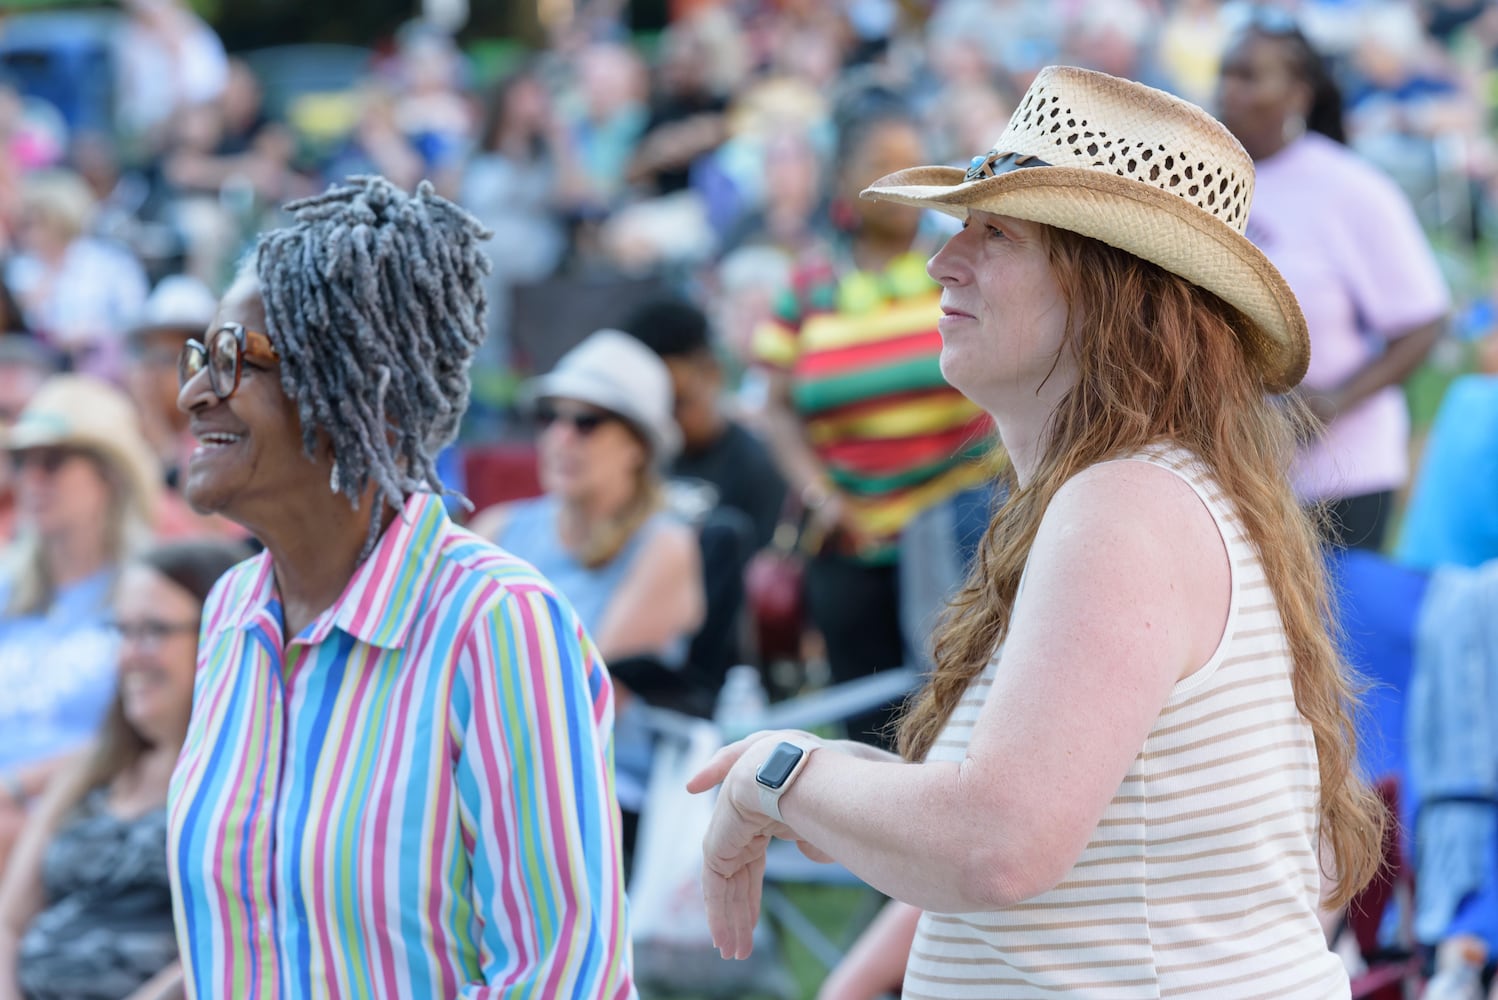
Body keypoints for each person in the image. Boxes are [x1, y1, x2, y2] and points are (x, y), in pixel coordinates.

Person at [690, 65, 1387, 999]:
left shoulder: (1125, 506)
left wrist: (779, 776)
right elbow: (1020, 826)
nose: (943, 261)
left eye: (996, 232)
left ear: (1110, 287)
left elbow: (998, 843)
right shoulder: (1138, 493)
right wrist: (834, 781)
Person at [167, 177, 635, 998]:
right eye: (200, 357)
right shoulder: (232, 615)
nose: (195, 391)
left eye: (237, 358)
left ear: (363, 394)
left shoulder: (495, 623)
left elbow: (565, 977)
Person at [752, 91, 995, 744]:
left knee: (961, 725)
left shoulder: (957, 265)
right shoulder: (808, 288)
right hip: (850, 542)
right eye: (883, 163)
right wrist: (820, 495)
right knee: (870, 732)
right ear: (841, 177)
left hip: (963, 541)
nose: (900, 181)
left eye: (913, 163)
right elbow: (775, 412)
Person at [1216, 13, 1449, 551]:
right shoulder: (1210, 181)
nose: (1228, 88)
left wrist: (1333, 403)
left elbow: (1422, 321)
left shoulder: (1351, 190)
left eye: (1250, 76)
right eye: (1227, 72)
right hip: (1238, 477)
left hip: (1341, 480)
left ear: (1297, 94)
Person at [0, 539, 247, 1000]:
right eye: (121, 631)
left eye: (152, 631)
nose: (129, 655)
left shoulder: (247, 779)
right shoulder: (94, 769)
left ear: (218, 635)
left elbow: (238, 942)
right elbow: (9, 924)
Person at [0, 375, 160, 873]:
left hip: (87, 822)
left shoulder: (147, 592)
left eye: (54, 462)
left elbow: (151, 732)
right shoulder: (7, 589)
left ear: (110, 475)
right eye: (23, 462)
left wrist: (21, 786)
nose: (33, 479)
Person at [624, 298, 787, 551]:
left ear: (714, 372)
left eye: (677, 403)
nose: (666, 420)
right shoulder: (637, 460)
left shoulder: (759, 468)